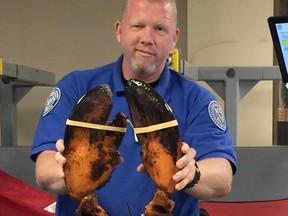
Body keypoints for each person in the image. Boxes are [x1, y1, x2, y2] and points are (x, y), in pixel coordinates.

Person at [31, 0, 237, 215]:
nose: (147, 38)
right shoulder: (74, 87)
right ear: (119, 31)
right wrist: (75, 168)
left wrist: (190, 173)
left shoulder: (197, 99)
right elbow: (44, 173)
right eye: (137, 26)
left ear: (174, 38)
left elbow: (222, 179)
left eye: (159, 28)